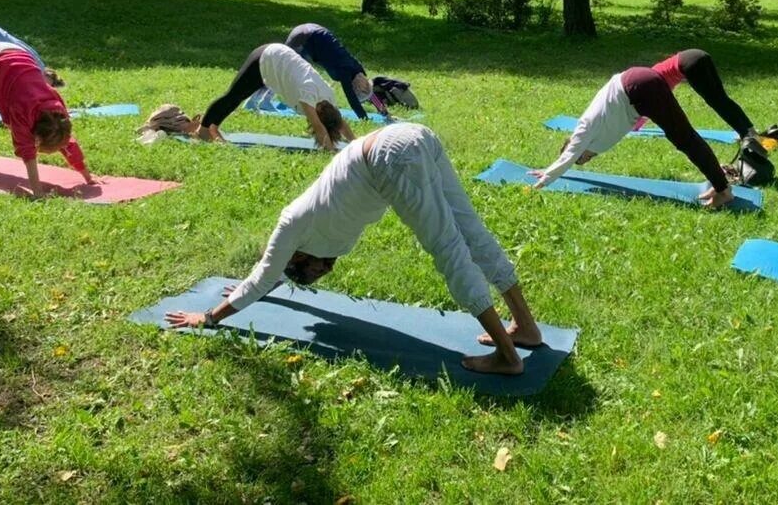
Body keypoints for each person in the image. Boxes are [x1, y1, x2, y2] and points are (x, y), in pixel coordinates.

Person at [165, 123, 543, 375]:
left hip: (391, 155)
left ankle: (508, 357)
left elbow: (265, 274)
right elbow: (272, 279)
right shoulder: (312, 244)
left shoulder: (291, 224)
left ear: (299, 256)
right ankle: (525, 328)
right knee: (470, 233)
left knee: (449, 248)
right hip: (412, 137)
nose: (325, 271)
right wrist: (256, 291)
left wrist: (210, 317)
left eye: (314, 272)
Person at [532, 51, 756, 208]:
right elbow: (572, 152)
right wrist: (552, 167)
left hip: (639, 88)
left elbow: (571, 152)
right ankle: (720, 185)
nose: (588, 160)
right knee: (684, 138)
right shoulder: (597, 136)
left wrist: (547, 177)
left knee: (685, 139)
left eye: (583, 160)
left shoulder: (585, 129)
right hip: (637, 87)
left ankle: (723, 190)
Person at [0, 42, 95, 199]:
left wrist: (88, 177)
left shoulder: (58, 116)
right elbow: (27, 153)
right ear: (37, 138)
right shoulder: (22, 110)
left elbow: (67, 142)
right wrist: (37, 192)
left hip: (14, 57)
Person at [193, 43, 356, 150]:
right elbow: (319, 129)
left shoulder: (329, 98)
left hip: (276, 64)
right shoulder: (309, 94)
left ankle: (212, 128)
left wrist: (356, 145)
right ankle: (203, 130)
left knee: (237, 97)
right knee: (233, 95)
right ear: (319, 112)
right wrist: (331, 154)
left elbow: (340, 123)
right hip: (266, 57)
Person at [278, 23, 386, 122]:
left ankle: (285, 98)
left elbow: (368, 90)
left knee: (294, 71)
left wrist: (382, 109)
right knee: (285, 67)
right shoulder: (345, 74)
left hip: (313, 29)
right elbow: (352, 100)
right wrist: (364, 119)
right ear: (354, 89)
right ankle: (266, 98)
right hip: (305, 36)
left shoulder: (358, 69)